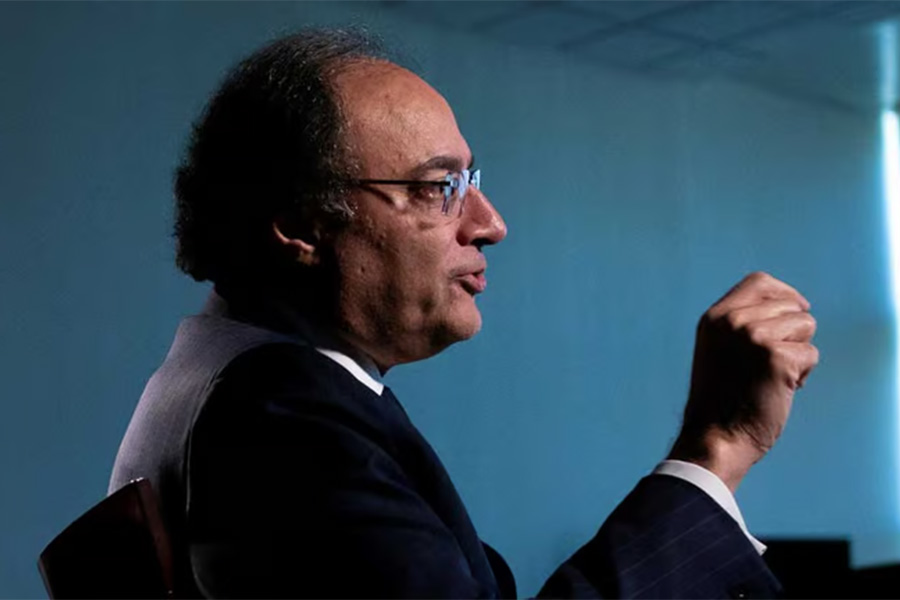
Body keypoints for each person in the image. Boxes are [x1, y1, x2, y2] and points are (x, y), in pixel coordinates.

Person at [110, 29, 818, 598]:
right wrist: (717, 448)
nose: (489, 223)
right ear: (300, 224)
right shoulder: (283, 418)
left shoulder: (222, 377)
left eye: (470, 181)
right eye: (435, 187)